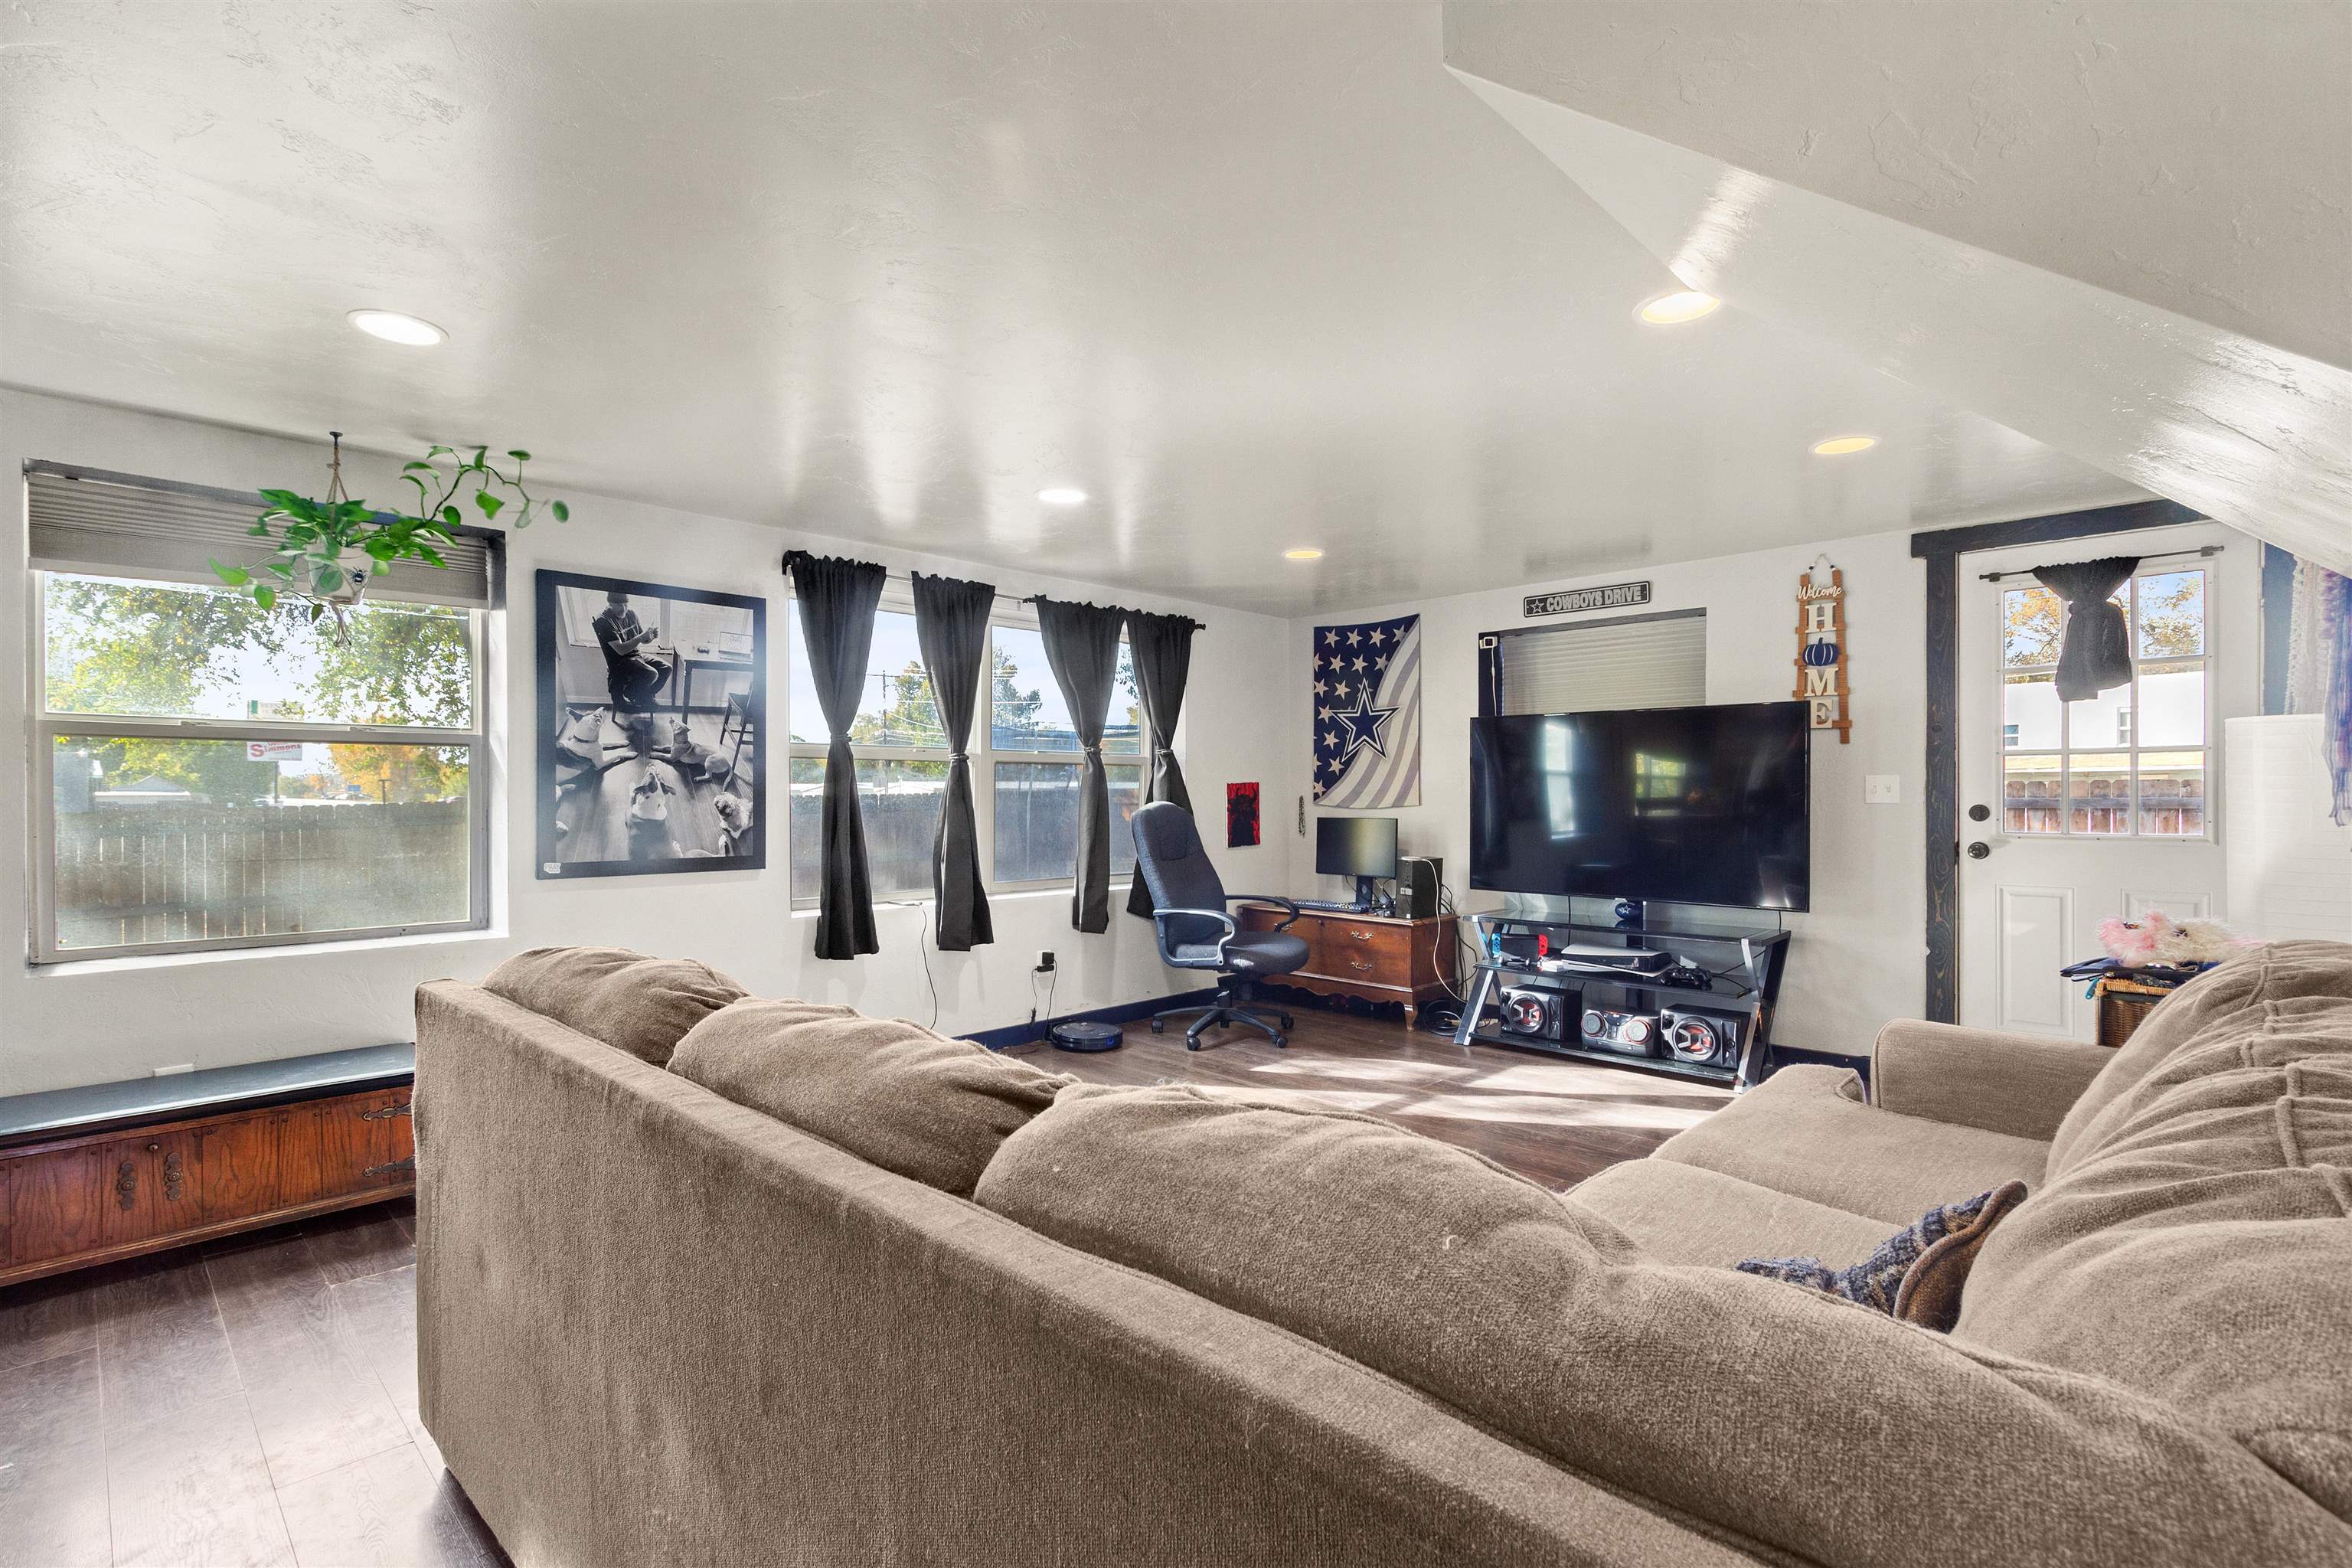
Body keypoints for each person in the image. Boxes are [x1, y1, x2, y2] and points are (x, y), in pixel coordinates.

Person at [593, 590, 670, 711]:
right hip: (620, 661)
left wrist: (650, 637)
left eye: (625, 605)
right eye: (619, 605)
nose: (623, 609)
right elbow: (621, 650)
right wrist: (641, 637)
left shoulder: (631, 614)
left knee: (666, 668)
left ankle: (642, 696)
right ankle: (633, 693)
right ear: (610, 603)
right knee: (652, 673)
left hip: (636, 656)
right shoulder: (604, 621)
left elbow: (643, 641)